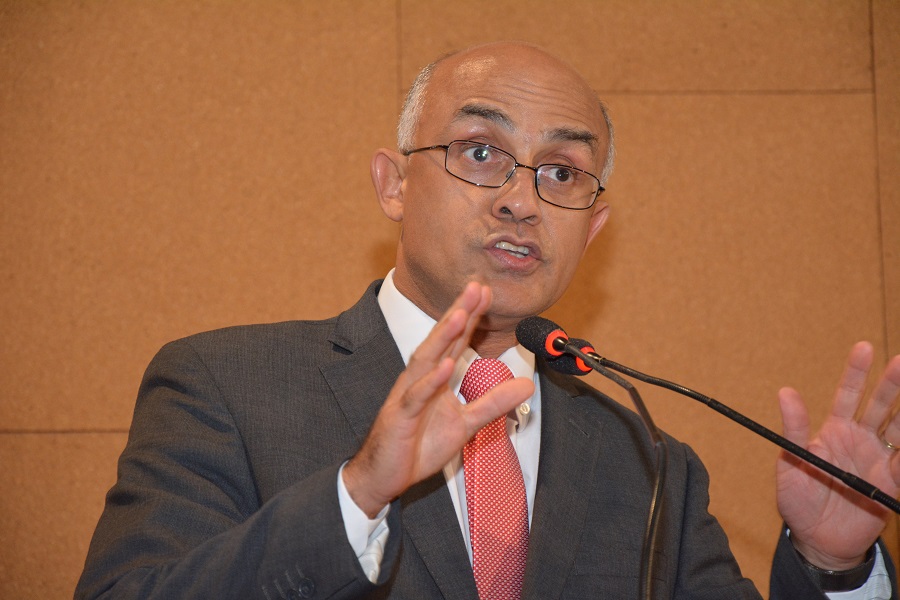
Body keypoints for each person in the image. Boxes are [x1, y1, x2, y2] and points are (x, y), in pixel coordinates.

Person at [76, 41, 900, 599]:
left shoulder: (650, 464)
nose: (521, 200)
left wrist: (832, 564)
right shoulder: (225, 386)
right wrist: (356, 497)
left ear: (592, 229)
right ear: (394, 184)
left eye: (562, 172)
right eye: (480, 152)